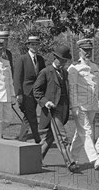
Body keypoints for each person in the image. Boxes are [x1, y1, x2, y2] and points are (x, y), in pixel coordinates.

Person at [33, 44, 79, 173]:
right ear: (55, 57)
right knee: (61, 136)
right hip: (52, 110)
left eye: (65, 61)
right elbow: (36, 91)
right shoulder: (46, 72)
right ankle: (70, 162)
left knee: (50, 137)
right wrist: (46, 102)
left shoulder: (64, 72)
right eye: (61, 60)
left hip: (63, 109)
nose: (63, 63)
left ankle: (35, 159)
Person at [67, 39, 99, 170]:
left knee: (80, 134)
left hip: (92, 105)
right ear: (79, 51)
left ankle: (71, 157)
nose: (88, 53)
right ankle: (95, 159)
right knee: (86, 131)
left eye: (90, 50)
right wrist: (74, 106)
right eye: (85, 50)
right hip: (80, 106)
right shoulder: (74, 68)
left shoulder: (95, 67)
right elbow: (72, 89)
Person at [14, 36, 46, 143]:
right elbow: (17, 78)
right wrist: (19, 94)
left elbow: (43, 76)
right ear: (28, 46)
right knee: (31, 115)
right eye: (32, 44)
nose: (34, 47)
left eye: (36, 44)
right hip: (26, 93)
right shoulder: (22, 59)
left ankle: (22, 139)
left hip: (37, 92)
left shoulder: (40, 59)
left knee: (28, 117)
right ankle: (37, 139)